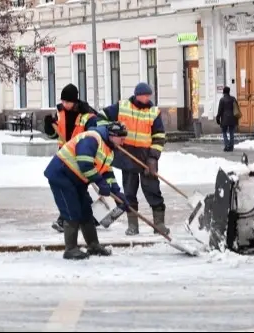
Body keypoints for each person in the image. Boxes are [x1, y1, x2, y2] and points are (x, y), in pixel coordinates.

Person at [43, 122, 130, 260]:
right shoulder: (92, 139)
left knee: (85, 211)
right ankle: (70, 249)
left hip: (78, 180)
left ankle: (93, 245)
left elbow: (107, 172)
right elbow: (84, 163)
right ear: (113, 136)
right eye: (122, 139)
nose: (123, 143)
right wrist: (100, 182)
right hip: (61, 175)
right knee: (72, 211)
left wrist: (116, 192)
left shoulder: (109, 149)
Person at [99, 82, 168, 236]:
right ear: (137, 95)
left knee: (153, 191)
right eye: (144, 95)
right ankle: (133, 226)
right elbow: (101, 117)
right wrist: (112, 134)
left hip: (146, 159)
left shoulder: (154, 112)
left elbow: (159, 136)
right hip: (127, 158)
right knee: (129, 192)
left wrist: (153, 159)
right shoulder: (122, 106)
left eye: (149, 95)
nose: (147, 98)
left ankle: (159, 224)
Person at [43, 84, 99, 233]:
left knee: (74, 188)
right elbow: (55, 134)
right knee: (75, 188)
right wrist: (49, 126)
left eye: (67, 102)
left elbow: (93, 138)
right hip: (64, 157)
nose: (64, 104)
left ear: (74, 101)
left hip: (80, 157)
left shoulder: (88, 116)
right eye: (63, 101)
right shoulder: (60, 112)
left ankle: (66, 219)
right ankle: (89, 217)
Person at [215, 86, 241, 152]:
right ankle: (231, 147)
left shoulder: (222, 100)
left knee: (224, 132)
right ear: (229, 92)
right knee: (231, 133)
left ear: (224, 92)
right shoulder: (233, 99)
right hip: (232, 118)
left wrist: (218, 118)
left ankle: (227, 146)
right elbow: (237, 108)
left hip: (224, 119)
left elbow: (220, 110)